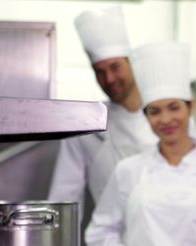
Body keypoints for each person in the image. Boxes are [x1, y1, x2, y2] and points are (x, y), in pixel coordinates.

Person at [85, 42, 196, 246]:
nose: (166, 119)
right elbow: (101, 230)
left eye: (174, 108)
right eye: (155, 111)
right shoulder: (129, 170)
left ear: (190, 107)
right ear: (146, 117)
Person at [49, 6, 157, 224]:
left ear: (132, 62)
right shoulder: (86, 127)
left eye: (115, 66)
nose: (109, 78)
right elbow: (64, 199)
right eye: (99, 71)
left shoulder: (168, 118)